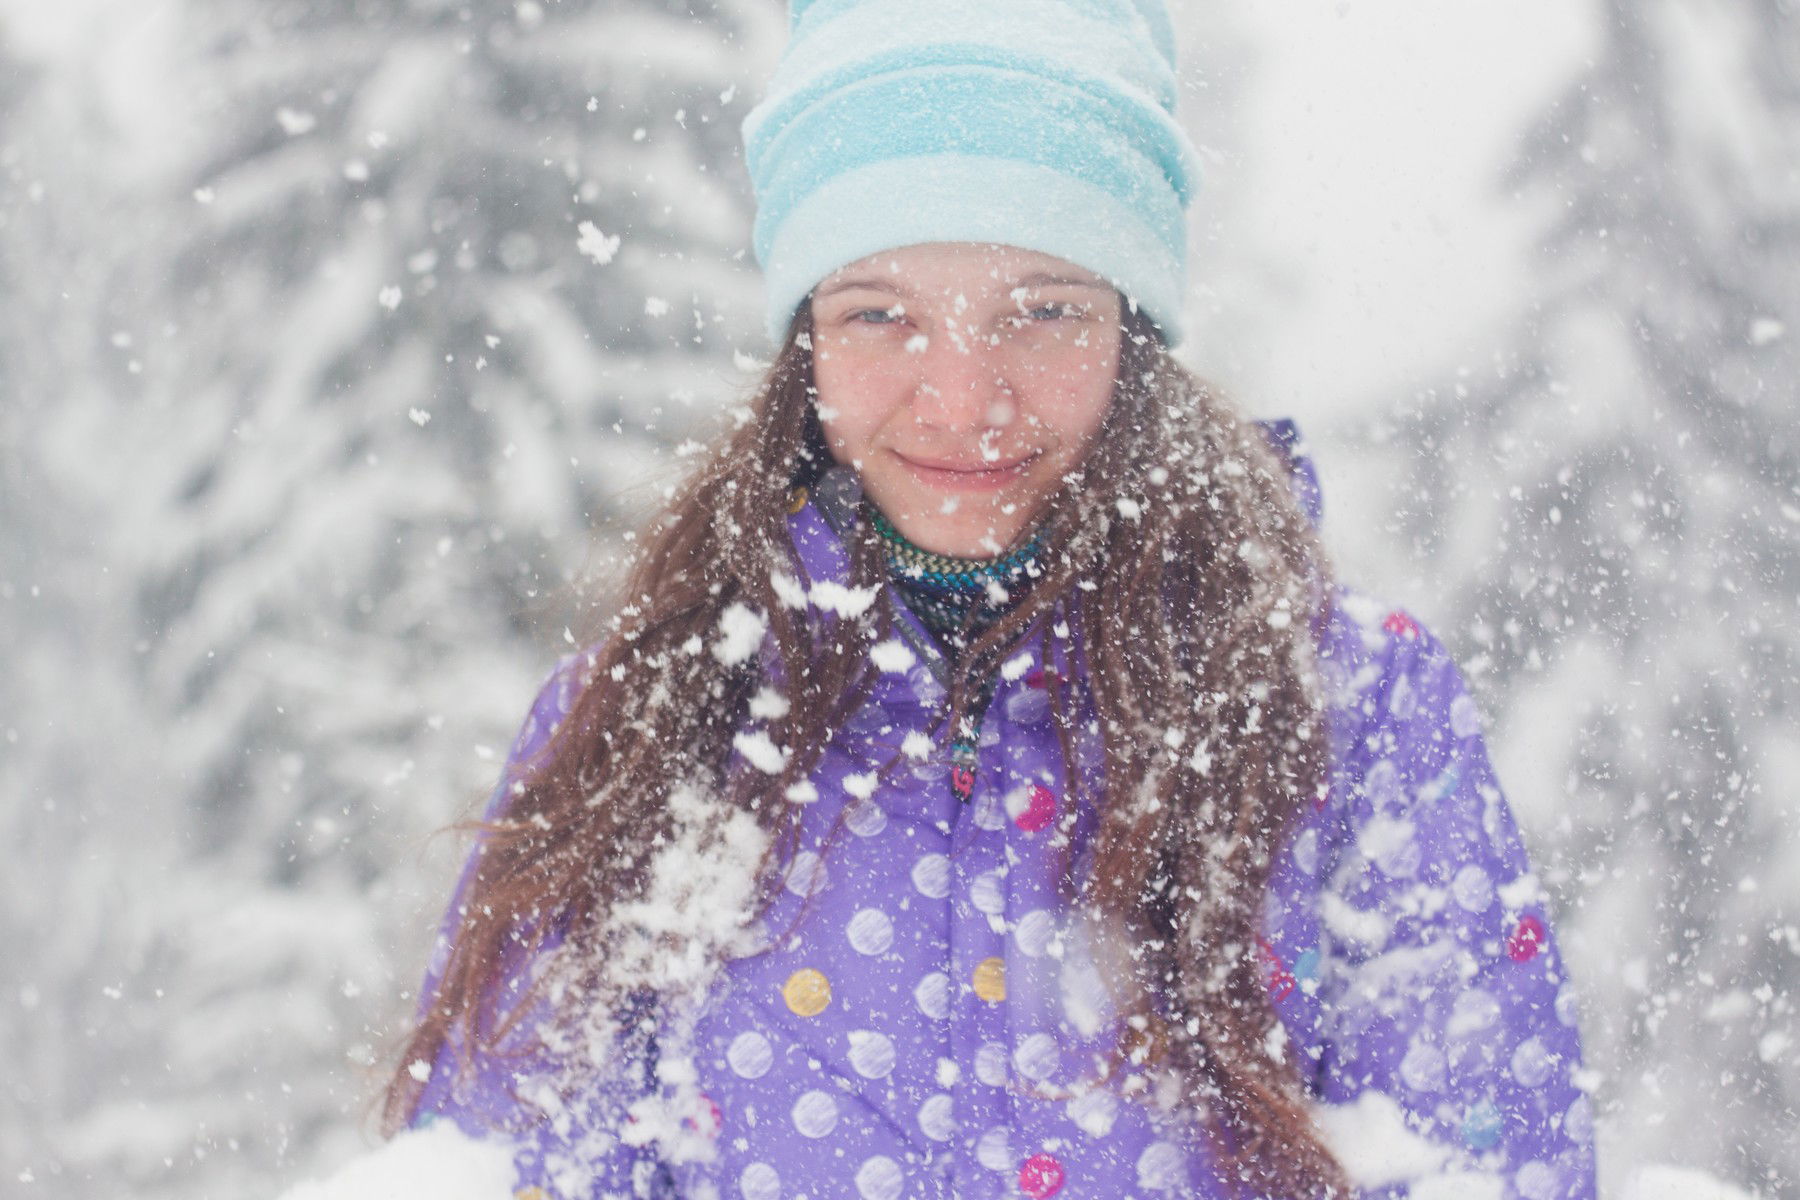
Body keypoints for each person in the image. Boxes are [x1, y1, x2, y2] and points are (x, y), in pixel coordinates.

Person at [384, 2, 1598, 1197]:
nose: (963, 400)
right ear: (804, 338)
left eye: (1044, 311)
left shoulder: (1347, 704)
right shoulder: (651, 719)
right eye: (881, 316)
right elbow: (514, 1169)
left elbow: (1475, 1170)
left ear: (1135, 327)